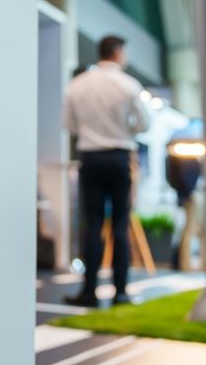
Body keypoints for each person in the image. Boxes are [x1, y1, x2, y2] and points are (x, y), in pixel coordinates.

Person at [62, 35, 150, 307]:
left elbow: (69, 125)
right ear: (118, 52)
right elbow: (144, 124)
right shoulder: (128, 84)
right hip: (119, 157)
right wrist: (124, 128)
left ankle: (89, 291)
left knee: (92, 224)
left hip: (90, 157)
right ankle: (120, 292)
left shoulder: (77, 85)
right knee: (120, 224)